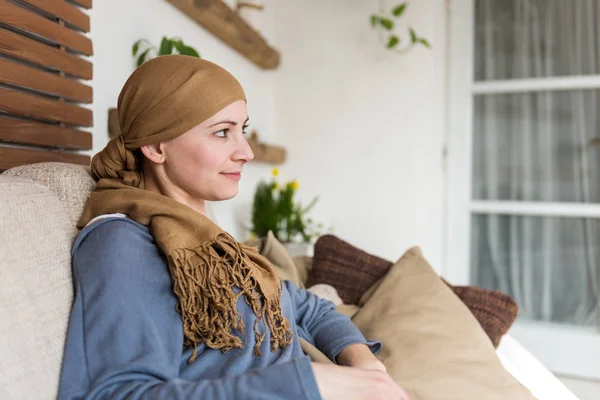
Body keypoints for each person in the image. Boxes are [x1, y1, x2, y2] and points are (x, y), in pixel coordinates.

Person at [57, 55, 410, 400]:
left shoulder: (206, 239)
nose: (246, 152)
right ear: (154, 145)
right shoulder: (124, 245)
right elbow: (118, 392)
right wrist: (311, 383)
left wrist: (366, 368)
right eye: (222, 132)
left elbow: (308, 307)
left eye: (242, 130)